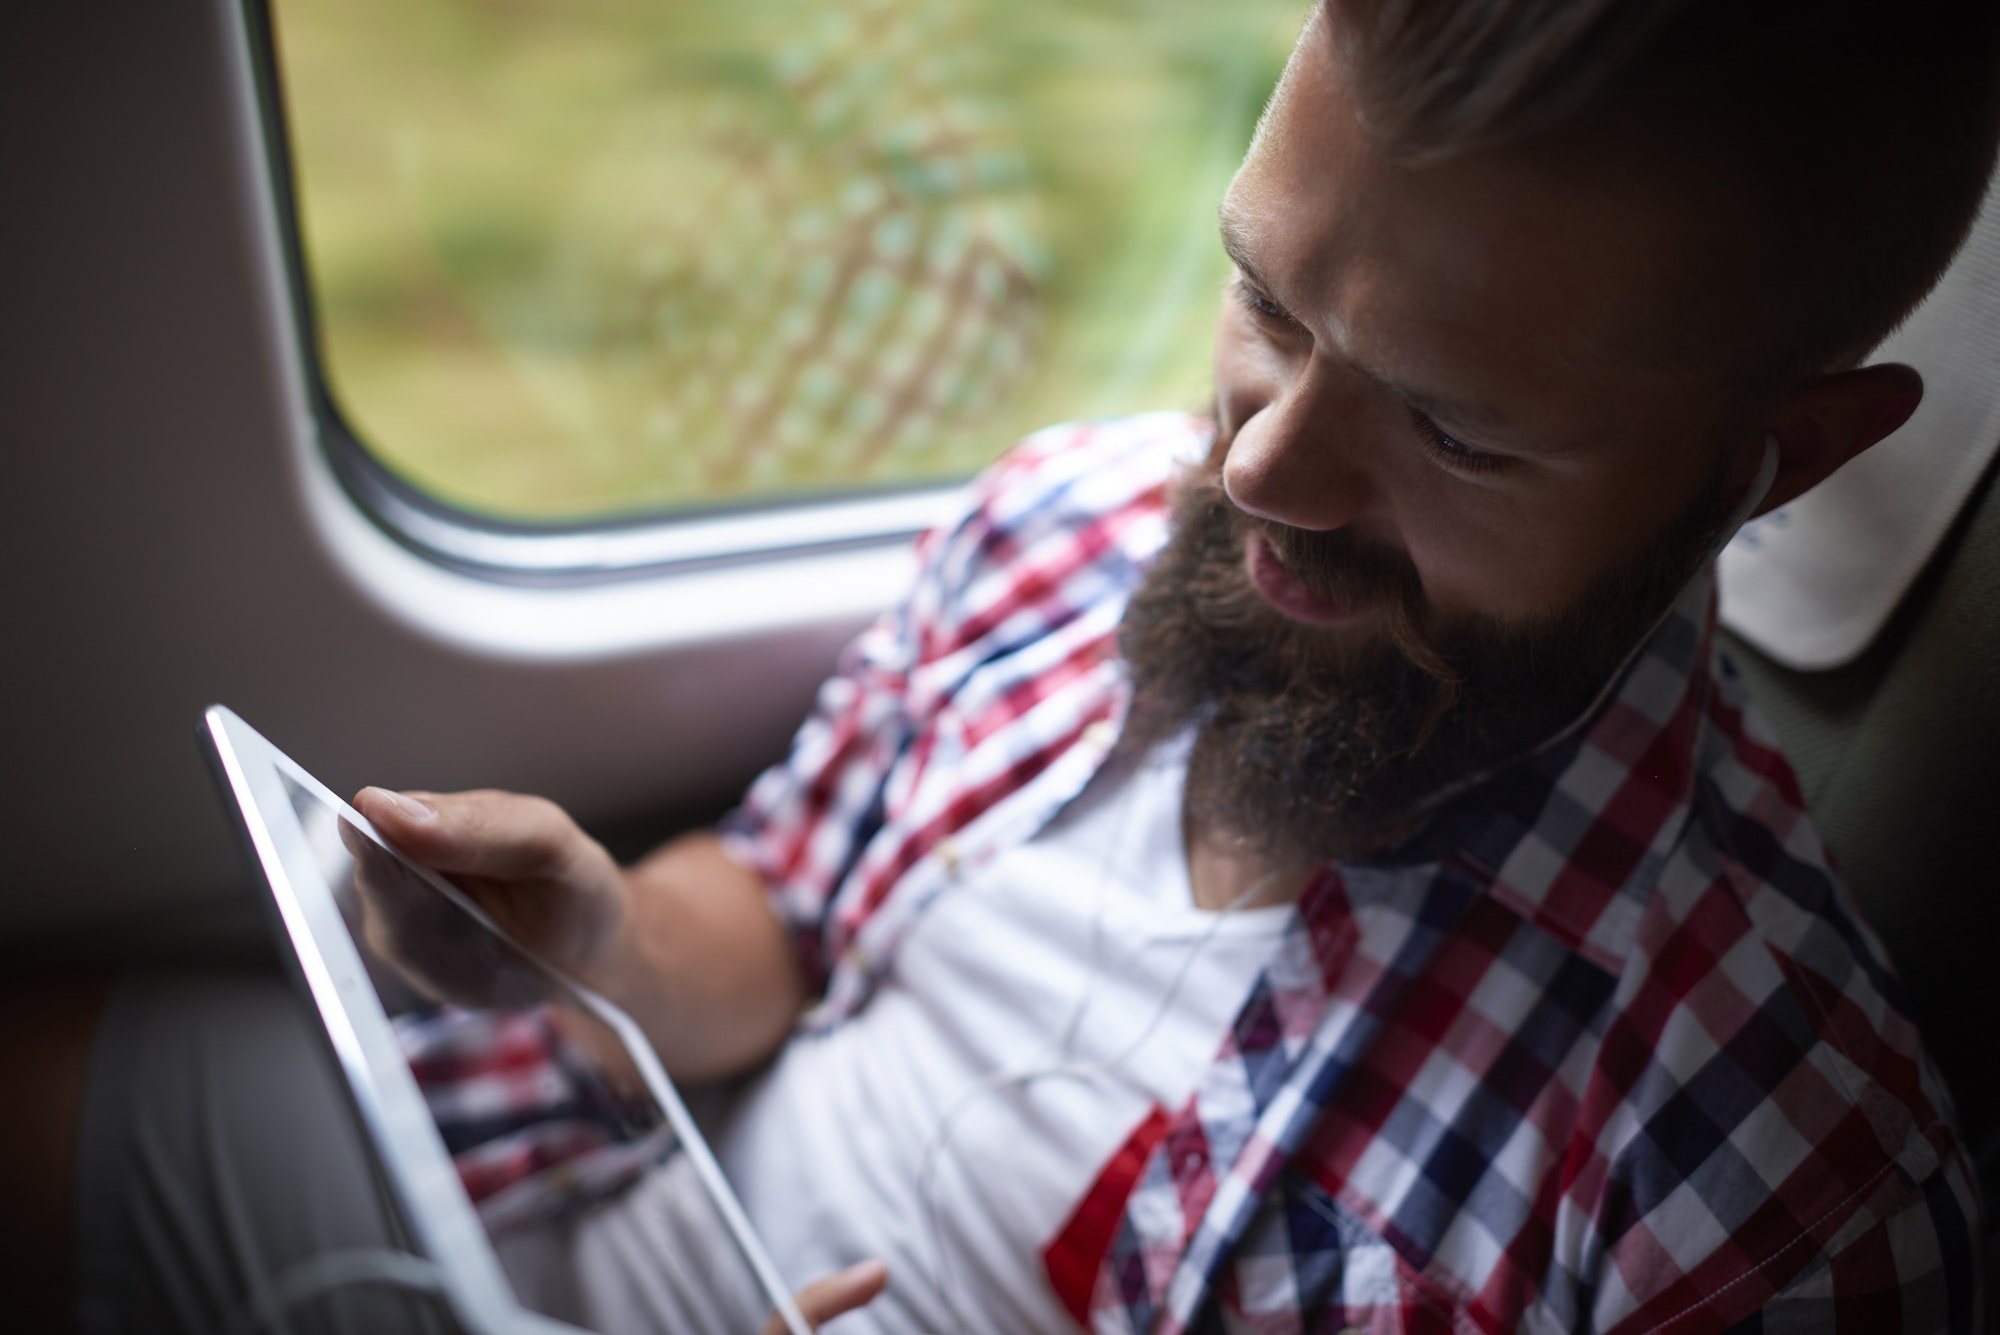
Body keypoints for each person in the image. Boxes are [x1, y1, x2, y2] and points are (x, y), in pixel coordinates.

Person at [12, 0, 1999, 1330]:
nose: (1256, 467)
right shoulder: (1070, 520)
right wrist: (602, 933)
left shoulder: (1768, 1182)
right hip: (565, 1172)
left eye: (1458, 431)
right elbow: (783, 924)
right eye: (1263, 302)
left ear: (1782, 454)